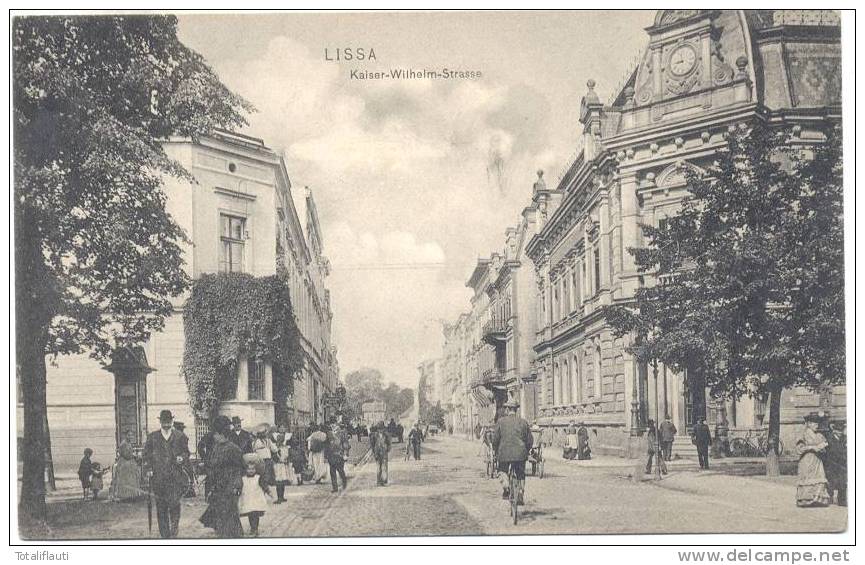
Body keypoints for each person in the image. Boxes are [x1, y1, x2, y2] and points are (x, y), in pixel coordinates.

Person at [143, 410, 190, 538]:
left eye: (169, 422)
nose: (166, 425)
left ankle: (174, 532)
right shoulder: (152, 437)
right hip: (159, 479)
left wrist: (182, 457)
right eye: (164, 422)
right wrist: (148, 469)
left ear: (172, 421)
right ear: (160, 422)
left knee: (175, 505)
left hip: (175, 479)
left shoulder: (180, 436)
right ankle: (165, 535)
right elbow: (146, 457)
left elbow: (186, 453)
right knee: (161, 508)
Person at [200, 415, 245, 538]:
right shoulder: (217, 447)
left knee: (229, 515)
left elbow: (239, 469)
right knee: (220, 515)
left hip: (230, 487)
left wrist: (236, 486)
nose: (213, 437)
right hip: (218, 487)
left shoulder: (233, 449)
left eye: (215, 434)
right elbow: (213, 467)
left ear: (221, 434)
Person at [492, 399, 533, 504]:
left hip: (504, 453)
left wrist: (496, 451)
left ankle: (506, 486)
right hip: (520, 453)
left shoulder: (500, 422)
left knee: (502, 470)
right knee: (521, 473)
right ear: (516, 410)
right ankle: (520, 491)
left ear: (507, 409)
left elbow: (495, 439)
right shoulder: (523, 422)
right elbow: (529, 440)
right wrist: (526, 451)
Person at [796, 412, 831, 507]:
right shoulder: (803, 434)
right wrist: (812, 448)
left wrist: (822, 448)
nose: (817, 425)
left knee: (819, 477)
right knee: (807, 477)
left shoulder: (820, 435)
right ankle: (806, 500)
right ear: (809, 423)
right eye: (815, 423)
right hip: (807, 460)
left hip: (817, 461)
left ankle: (818, 499)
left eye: (818, 423)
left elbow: (825, 448)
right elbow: (799, 449)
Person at [238, 454, 272, 537]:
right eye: (249, 469)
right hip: (248, 500)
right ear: (245, 470)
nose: (251, 471)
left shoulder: (258, 478)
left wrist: (269, 492)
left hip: (256, 499)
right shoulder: (243, 479)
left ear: (256, 469)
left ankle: (255, 529)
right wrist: (237, 492)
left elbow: (264, 485)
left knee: (255, 514)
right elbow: (239, 486)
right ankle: (252, 528)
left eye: (253, 469)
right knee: (250, 514)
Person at [110, 430, 142, 501]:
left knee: (131, 479)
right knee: (126, 480)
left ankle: (130, 495)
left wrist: (134, 456)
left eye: (131, 435)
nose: (130, 437)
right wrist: (134, 456)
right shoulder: (123, 444)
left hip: (129, 463)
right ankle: (125, 496)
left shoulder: (128, 443)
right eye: (129, 435)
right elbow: (126, 455)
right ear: (125, 436)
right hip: (124, 463)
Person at [823, 420, 847, 506]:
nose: (840, 432)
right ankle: (829, 498)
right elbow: (828, 452)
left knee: (843, 482)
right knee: (830, 482)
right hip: (831, 464)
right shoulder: (829, 439)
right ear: (834, 430)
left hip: (842, 464)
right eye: (838, 430)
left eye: (841, 430)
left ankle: (842, 500)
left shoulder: (845, 438)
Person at [325, 422, 349, 493]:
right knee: (334, 472)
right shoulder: (330, 434)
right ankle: (337, 486)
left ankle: (342, 484)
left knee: (338, 471)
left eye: (334, 426)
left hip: (337, 455)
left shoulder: (340, 434)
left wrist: (345, 454)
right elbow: (327, 444)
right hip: (334, 455)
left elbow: (345, 444)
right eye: (332, 425)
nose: (333, 427)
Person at [271, 427, 290, 503]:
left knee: (280, 481)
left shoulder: (277, 447)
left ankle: (280, 497)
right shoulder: (284, 447)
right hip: (281, 465)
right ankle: (281, 497)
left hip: (279, 465)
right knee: (281, 481)